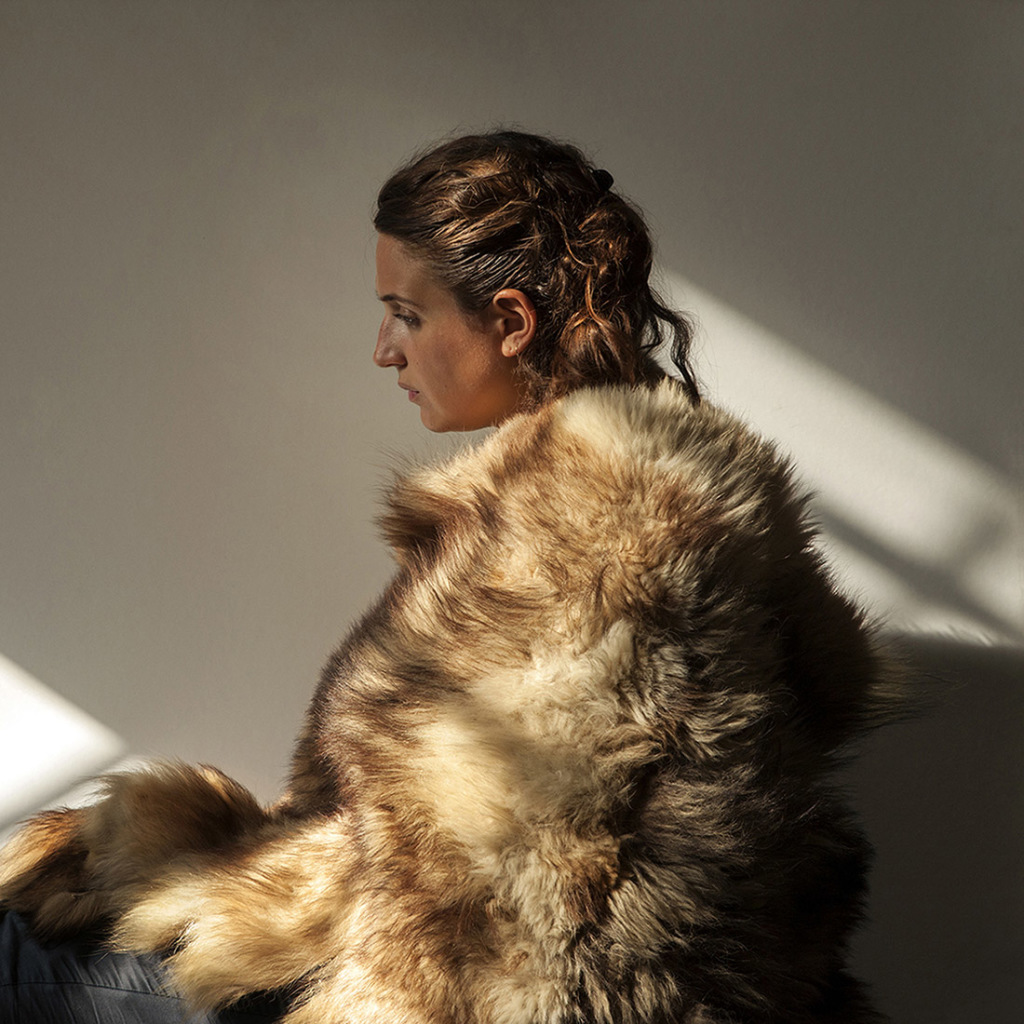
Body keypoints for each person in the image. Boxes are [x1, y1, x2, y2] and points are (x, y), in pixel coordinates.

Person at [1, 130, 903, 1023]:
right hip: (482, 962)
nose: (383, 349)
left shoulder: (589, 525)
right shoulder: (643, 495)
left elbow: (536, 902)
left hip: (455, 994)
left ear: (510, 323)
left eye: (407, 314)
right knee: (81, 878)